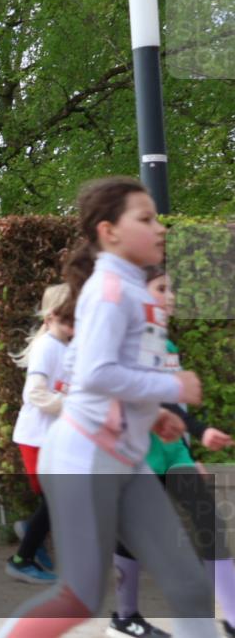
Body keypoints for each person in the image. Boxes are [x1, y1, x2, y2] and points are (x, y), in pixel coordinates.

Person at [0, 177, 214, 638]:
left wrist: (154, 412)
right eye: (146, 219)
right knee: (79, 597)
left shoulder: (133, 290)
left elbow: (91, 373)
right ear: (109, 231)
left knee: (190, 586)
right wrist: (173, 384)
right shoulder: (111, 290)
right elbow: (96, 374)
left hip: (122, 459)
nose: (160, 228)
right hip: (84, 460)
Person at [105, 265, 235, 638]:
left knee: (210, 522)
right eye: (163, 288)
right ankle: (125, 618)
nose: (172, 296)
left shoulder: (167, 346)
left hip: (173, 454)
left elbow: (173, 404)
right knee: (132, 536)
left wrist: (193, 444)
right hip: (136, 456)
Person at [5, 284, 73, 584]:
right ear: (50, 317)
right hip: (36, 439)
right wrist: (73, 406)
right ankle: (22, 560)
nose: (75, 322)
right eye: (68, 316)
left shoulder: (69, 348)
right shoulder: (47, 347)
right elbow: (34, 393)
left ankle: (31, 530)